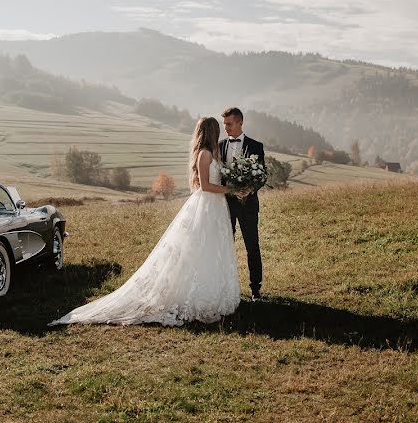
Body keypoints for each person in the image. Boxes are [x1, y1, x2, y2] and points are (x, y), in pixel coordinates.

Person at [50, 117, 240, 326]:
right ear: (211, 132)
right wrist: (230, 190)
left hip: (216, 207)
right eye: (216, 130)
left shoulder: (213, 154)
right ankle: (197, 295)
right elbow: (204, 186)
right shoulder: (204, 155)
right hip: (206, 204)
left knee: (213, 249)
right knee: (200, 248)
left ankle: (213, 290)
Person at [219, 107, 265, 300]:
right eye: (224, 125)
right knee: (225, 246)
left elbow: (262, 175)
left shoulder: (256, 146)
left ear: (240, 122)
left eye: (229, 124)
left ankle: (255, 290)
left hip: (248, 205)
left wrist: (250, 189)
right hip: (225, 205)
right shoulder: (219, 146)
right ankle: (225, 287)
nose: (226, 128)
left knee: (252, 246)